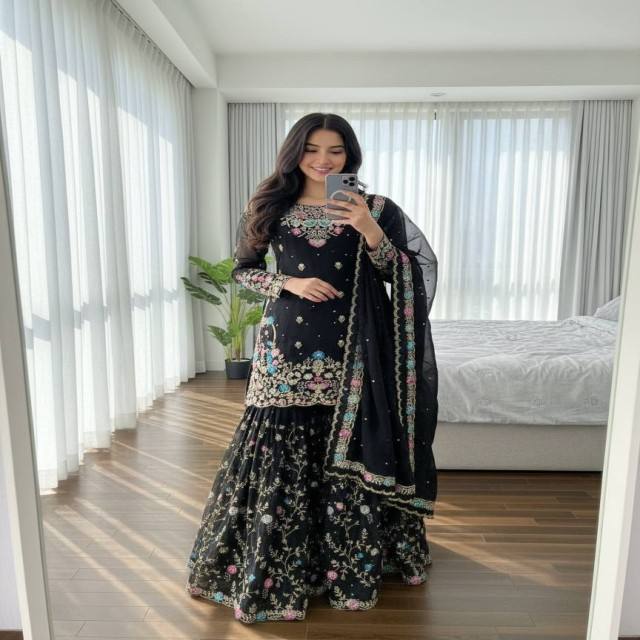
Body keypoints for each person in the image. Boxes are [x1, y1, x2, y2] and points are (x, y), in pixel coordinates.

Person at [185, 112, 439, 624]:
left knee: (351, 444)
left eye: (335, 151)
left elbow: (407, 273)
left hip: (357, 349)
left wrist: (369, 230)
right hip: (286, 346)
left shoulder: (377, 208)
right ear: (294, 152)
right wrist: (289, 284)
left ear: (350, 156)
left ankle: (349, 564)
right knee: (278, 447)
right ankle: (274, 568)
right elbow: (243, 271)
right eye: (312, 149)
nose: (323, 160)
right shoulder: (269, 205)